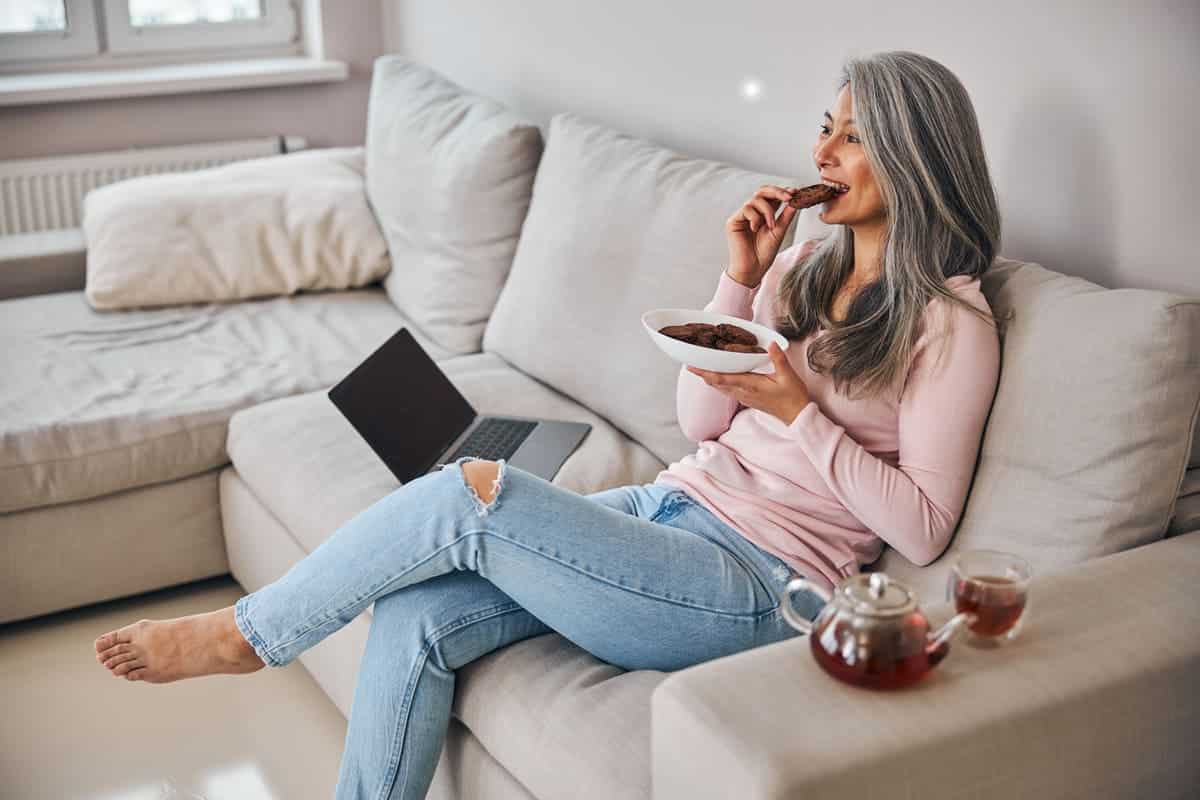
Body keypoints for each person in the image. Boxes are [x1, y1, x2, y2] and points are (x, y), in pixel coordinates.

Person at [93, 50, 1002, 799]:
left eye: (855, 137)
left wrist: (800, 413)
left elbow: (921, 529)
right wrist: (739, 276)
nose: (825, 152)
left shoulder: (950, 322)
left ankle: (250, 636)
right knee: (417, 608)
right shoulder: (802, 264)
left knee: (469, 493)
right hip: (668, 510)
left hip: (762, 583)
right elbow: (701, 421)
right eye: (825, 128)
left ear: (915, 156)